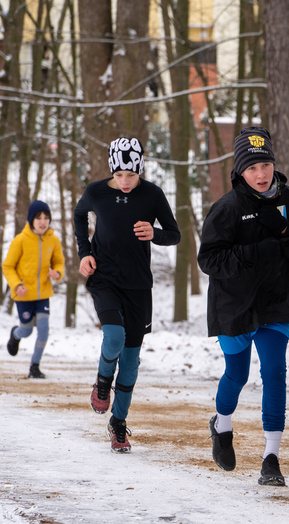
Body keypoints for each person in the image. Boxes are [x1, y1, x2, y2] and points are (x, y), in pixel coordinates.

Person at [198, 126, 289, 486]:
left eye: (265, 164)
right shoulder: (227, 208)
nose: (261, 174)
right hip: (233, 306)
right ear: (240, 172)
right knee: (237, 375)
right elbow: (209, 260)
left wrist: (284, 230)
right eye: (253, 168)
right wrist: (253, 253)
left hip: (274, 303)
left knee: (274, 372)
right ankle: (221, 424)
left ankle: (271, 457)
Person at [74, 136, 181, 454]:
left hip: (138, 285)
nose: (124, 182)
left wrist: (155, 233)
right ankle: (102, 382)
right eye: (119, 175)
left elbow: (174, 233)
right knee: (114, 335)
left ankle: (117, 424)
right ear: (112, 170)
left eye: (131, 176)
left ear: (140, 169)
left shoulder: (152, 194)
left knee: (132, 361)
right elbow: (80, 216)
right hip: (104, 278)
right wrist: (84, 252)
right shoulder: (96, 192)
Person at [3, 200, 65, 379]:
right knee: (27, 330)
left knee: (44, 330)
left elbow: (59, 262)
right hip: (23, 295)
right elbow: (8, 266)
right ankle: (16, 335)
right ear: (32, 220)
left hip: (43, 294)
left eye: (46, 217)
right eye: (39, 217)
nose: (43, 221)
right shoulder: (20, 240)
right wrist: (17, 285)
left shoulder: (53, 240)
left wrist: (57, 273)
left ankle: (34, 366)